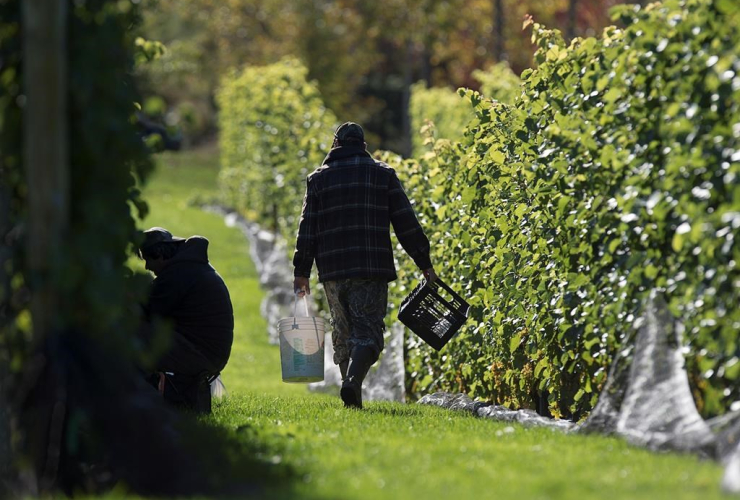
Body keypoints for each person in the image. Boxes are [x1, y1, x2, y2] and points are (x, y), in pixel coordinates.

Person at [292, 122, 437, 409]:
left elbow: (307, 227)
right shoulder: (382, 175)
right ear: (364, 146)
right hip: (371, 267)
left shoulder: (318, 179)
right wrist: (424, 261)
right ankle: (352, 383)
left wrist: (301, 271)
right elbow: (406, 222)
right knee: (368, 332)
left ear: (335, 145)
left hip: (333, 271)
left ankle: (351, 396)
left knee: (343, 332)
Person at [138, 227, 234, 381]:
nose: (147, 267)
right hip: (206, 353)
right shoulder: (186, 267)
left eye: (148, 259)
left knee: (131, 331)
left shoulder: (178, 273)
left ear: (160, 255)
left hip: (200, 356)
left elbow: (148, 311)